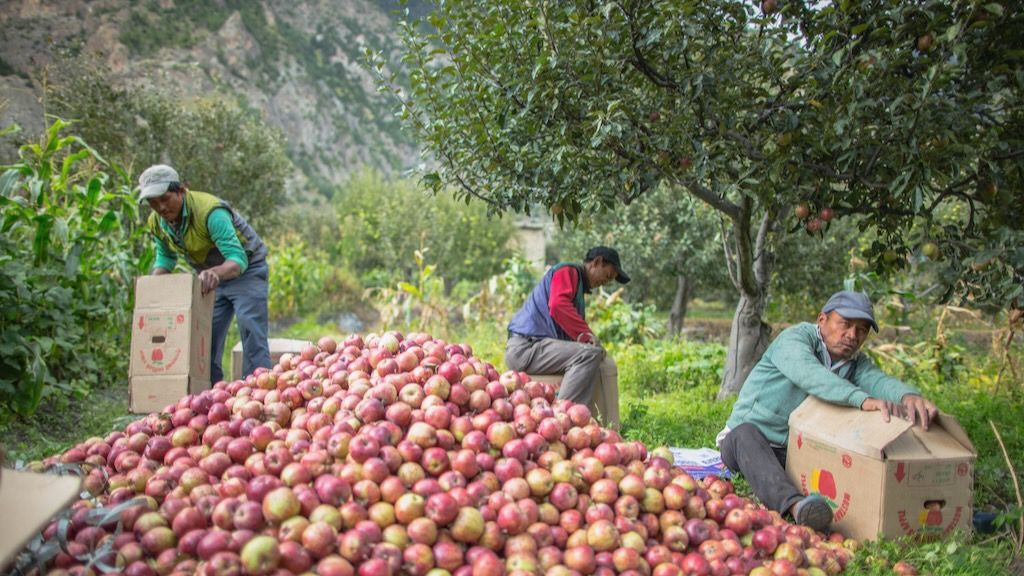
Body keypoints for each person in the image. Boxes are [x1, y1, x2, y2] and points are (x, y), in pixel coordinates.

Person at [717, 290, 938, 533]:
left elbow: (878, 381)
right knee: (744, 433)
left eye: (862, 330)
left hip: (796, 453)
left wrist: (908, 396)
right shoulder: (795, 339)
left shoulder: (854, 363)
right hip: (747, 446)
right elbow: (811, 375)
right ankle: (797, 507)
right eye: (845, 324)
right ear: (822, 320)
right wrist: (861, 399)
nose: (852, 335)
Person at [137, 164, 272, 383]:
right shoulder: (158, 223)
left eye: (165, 198)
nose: (160, 207)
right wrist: (153, 288)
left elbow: (237, 260)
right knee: (203, 342)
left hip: (246, 271)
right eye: (153, 202)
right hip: (210, 279)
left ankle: (259, 396)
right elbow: (165, 258)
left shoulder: (210, 212)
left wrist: (215, 273)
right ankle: (209, 397)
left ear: (181, 190)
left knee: (251, 332)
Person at [504, 246, 630, 429]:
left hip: (535, 346)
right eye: (608, 276)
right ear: (597, 262)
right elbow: (558, 305)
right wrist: (587, 336)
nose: (606, 282)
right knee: (589, 354)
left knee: (590, 354)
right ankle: (561, 419)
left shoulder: (577, 286)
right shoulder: (569, 271)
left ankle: (576, 419)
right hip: (526, 346)